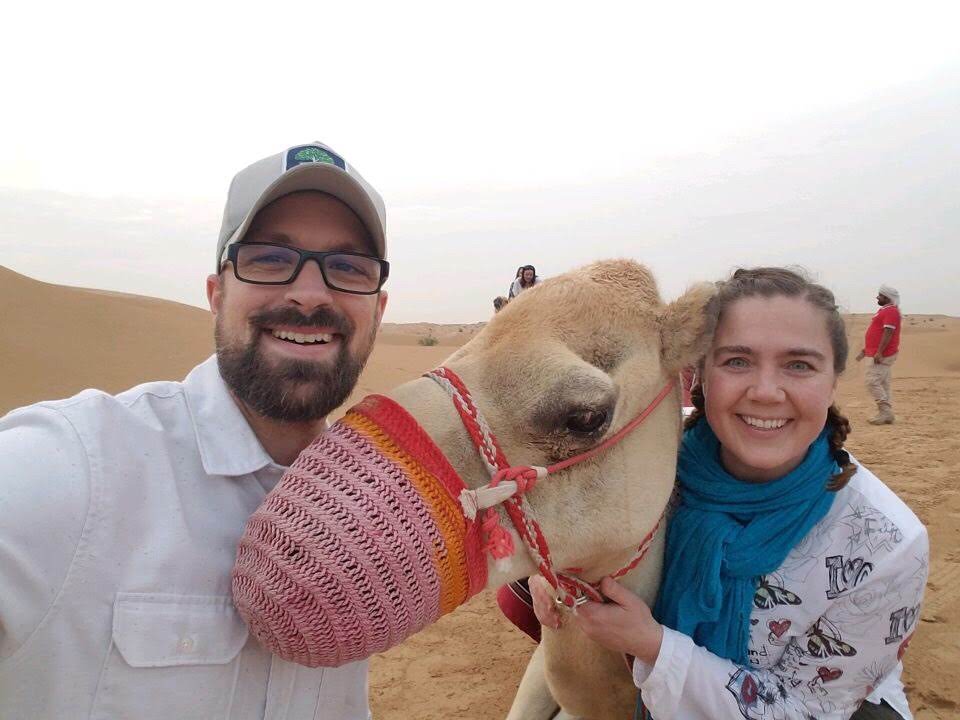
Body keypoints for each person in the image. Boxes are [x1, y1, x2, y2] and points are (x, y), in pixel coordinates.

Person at [0, 142, 390, 719]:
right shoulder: (73, 466)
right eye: (270, 258)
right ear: (216, 294)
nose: (310, 293)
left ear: (378, 311)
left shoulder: (372, 512)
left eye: (348, 267)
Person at [530, 268, 928, 720]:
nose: (765, 392)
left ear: (833, 380)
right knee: (519, 601)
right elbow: (559, 505)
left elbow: (811, 708)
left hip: (817, 705)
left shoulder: (888, 544)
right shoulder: (647, 452)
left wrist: (654, 646)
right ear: (698, 375)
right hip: (636, 666)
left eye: (799, 365)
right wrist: (552, 569)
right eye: (737, 361)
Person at [855, 285, 902, 425]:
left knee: (872, 381)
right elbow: (877, 333)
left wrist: (879, 352)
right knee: (883, 383)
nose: (877, 297)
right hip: (876, 352)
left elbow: (888, 332)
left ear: (886, 297)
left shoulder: (891, 311)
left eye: (880, 295)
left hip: (883, 354)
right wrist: (866, 350)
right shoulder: (885, 310)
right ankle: (887, 414)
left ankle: (885, 412)